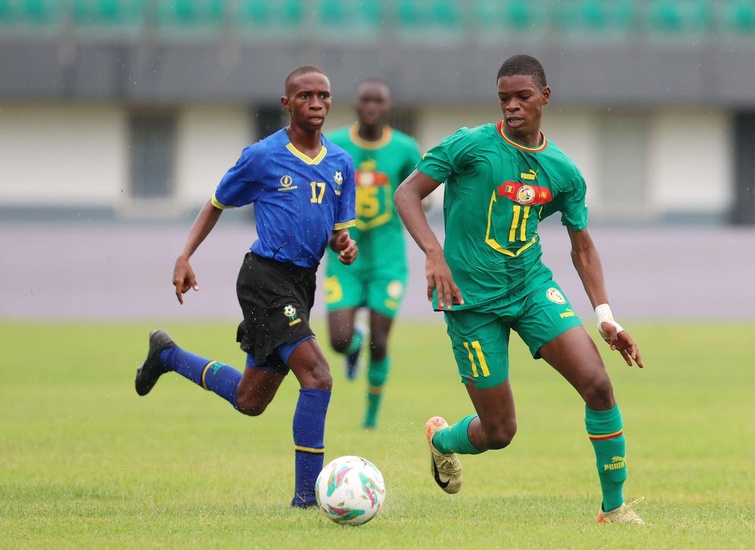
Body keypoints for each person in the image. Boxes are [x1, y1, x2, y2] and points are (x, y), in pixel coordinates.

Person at [393, 54, 646, 524]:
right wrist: (434, 253)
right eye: (503, 97)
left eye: (522, 96)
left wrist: (606, 315)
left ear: (544, 98)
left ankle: (614, 508)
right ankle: (442, 440)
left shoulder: (563, 172)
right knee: (500, 431)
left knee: (598, 385)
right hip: (471, 304)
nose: (512, 105)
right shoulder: (469, 146)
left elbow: (582, 245)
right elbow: (406, 194)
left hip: (531, 289)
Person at [134, 65, 357, 508]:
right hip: (264, 278)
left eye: (324, 95)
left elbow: (336, 233)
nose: (316, 103)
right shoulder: (262, 156)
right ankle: (306, 501)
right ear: (286, 103)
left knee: (249, 400)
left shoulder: (341, 163)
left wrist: (344, 245)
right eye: (306, 95)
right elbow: (216, 202)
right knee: (318, 376)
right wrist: (185, 255)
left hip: (301, 285)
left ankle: (167, 354)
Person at [323, 79, 421, 429]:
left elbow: (423, 192)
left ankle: (370, 418)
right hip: (345, 259)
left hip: (388, 261)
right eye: (366, 99)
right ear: (356, 104)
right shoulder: (334, 145)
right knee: (338, 339)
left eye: (378, 100)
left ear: (387, 106)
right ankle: (353, 347)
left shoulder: (406, 149)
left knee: (381, 342)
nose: (372, 106)